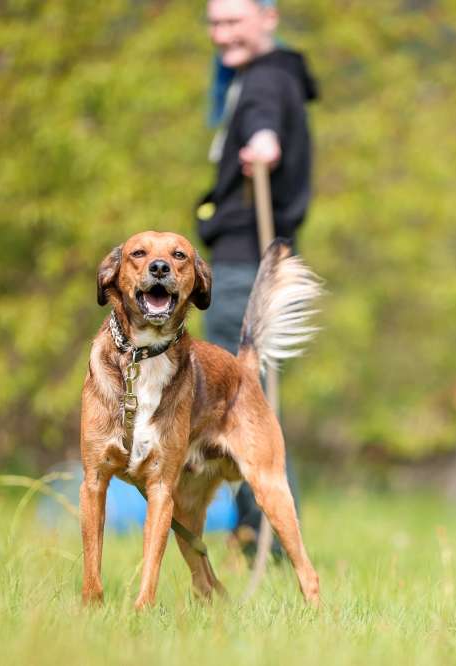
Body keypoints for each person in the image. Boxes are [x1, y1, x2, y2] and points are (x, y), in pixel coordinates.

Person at [196, 0, 318, 560]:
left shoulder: (265, 80)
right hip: (248, 261)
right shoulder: (262, 75)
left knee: (236, 409)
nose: (222, 34)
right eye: (214, 24)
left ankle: (259, 542)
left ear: (269, 16)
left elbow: (265, 118)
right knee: (248, 404)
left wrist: (266, 141)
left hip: (245, 267)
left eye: (233, 21)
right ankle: (255, 537)